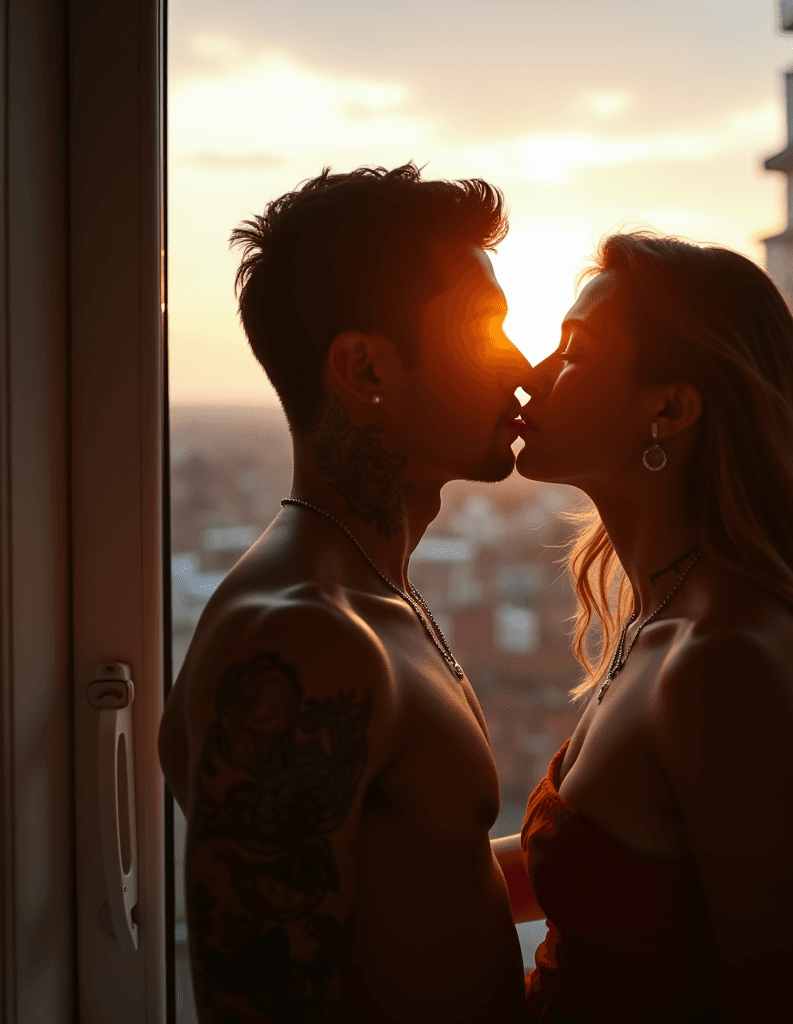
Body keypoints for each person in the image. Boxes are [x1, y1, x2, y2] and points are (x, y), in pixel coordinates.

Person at [158, 164, 531, 1024]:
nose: (519, 364)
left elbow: (422, 882)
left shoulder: (371, 594)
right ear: (365, 367)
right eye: (484, 331)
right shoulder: (300, 640)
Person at [494, 232, 793, 1023]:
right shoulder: (663, 620)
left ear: (668, 408)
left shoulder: (727, 661)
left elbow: (783, 1001)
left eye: (574, 352)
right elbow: (605, 877)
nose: (530, 377)